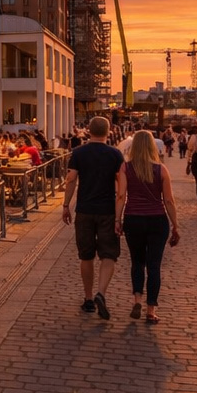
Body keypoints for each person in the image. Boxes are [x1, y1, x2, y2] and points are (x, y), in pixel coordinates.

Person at [61, 115, 125, 318]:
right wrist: (118, 216)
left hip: (85, 210)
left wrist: (65, 205)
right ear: (108, 132)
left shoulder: (79, 153)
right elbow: (121, 187)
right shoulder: (115, 155)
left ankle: (88, 298)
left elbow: (71, 179)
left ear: (88, 130)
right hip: (107, 210)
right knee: (108, 254)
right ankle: (101, 293)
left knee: (86, 255)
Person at [114, 131, 178, 324]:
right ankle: (151, 310)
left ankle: (137, 300)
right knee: (154, 265)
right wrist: (176, 225)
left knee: (137, 262)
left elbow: (121, 196)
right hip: (157, 220)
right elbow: (168, 200)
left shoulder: (125, 168)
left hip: (134, 219)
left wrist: (118, 220)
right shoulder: (161, 170)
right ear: (152, 146)